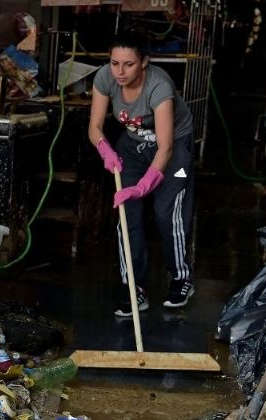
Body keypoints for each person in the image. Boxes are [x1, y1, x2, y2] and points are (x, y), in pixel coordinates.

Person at [88, 31, 195, 317]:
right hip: (132, 145)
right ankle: (134, 286)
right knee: (127, 213)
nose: (120, 71)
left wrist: (144, 185)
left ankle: (181, 277)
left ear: (144, 62)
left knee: (166, 211)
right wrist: (105, 150)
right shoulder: (105, 78)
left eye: (129, 64)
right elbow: (95, 127)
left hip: (173, 147)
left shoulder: (159, 86)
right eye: (114, 63)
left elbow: (166, 147)